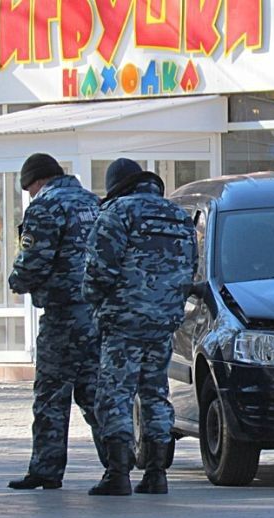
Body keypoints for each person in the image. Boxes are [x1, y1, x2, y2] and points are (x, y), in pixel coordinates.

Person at [84, 158, 197, 496]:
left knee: (116, 395)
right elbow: (190, 268)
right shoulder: (179, 215)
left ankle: (118, 474)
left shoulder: (117, 213)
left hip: (123, 322)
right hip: (164, 322)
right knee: (155, 394)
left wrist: (97, 303)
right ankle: (156, 474)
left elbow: (97, 272)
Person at [7, 153, 102, 490]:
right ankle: (118, 467)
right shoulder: (94, 203)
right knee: (94, 392)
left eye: (30, 189)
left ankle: (46, 470)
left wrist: (17, 281)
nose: (31, 195)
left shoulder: (46, 205)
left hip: (63, 314)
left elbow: (35, 259)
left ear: (36, 181)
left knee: (51, 394)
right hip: (96, 314)